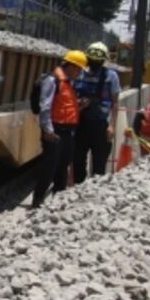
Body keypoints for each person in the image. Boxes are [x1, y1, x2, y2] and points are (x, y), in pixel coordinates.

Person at [31, 50, 87, 208]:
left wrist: (79, 106)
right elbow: (45, 107)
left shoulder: (68, 83)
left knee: (63, 167)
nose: (80, 73)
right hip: (54, 131)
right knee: (49, 167)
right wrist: (48, 130)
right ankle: (37, 201)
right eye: (79, 69)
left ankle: (58, 201)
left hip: (67, 132)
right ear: (72, 66)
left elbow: (64, 106)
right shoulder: (52, 80)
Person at [73, 42, 121, 183]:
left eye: (98, 61)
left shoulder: (111, 76)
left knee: (99, 166)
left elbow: (115, 102)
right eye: (92, 60)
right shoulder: (80, 75)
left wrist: (112, 125)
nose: (95, 64)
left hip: (101, 125)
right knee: (78, 161)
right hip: (81, 124)